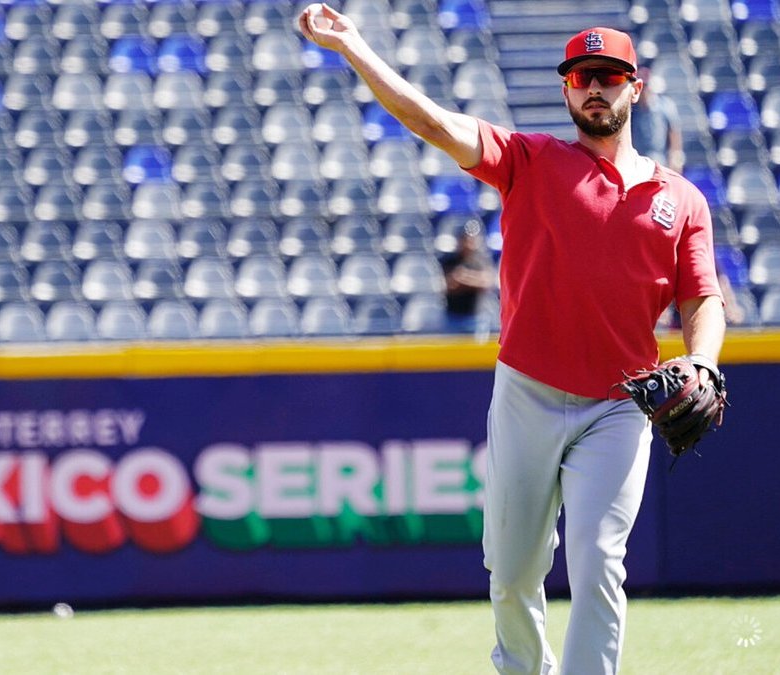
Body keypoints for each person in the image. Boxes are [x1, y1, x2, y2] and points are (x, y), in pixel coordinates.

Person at [300, 10, 725, 674]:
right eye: (581, 77)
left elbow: (701, 298)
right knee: (512, 570)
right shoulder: (529, 159)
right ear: (565, 90)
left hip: (620, 403)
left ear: (634, 87)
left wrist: (701, 359)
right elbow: (429, 121)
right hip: (528, 392)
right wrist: (353, 45)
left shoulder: (681, 199)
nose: (595, 87)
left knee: (599, 561)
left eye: (608, 76)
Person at [440, 218, 497, 335]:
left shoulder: (479, 261)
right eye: (465, 240)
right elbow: (448, 285)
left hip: (474, 316)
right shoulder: (449, 260)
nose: (468, 244)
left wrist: (464, 277)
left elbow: (487, 283)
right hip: (453, 316)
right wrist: (471, 280)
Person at [630, 67, 684, 174]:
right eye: (642, 87)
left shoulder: (665, 106)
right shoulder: (632, 110)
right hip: (636, 161)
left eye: (646, 86)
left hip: (659, 159)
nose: (644, 90)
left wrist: (675, 158)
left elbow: (674, 133)